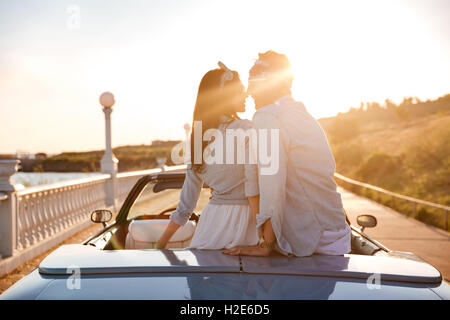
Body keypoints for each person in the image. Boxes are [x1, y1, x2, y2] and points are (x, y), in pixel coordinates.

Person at [223, 51, 351, 257]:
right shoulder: (300, 113)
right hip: (335, 230)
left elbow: (272, 184)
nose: (249, 92)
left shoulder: (267, 116)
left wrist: (266, 244)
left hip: (312, 237)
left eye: (255, 82)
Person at [156, 62, 261, 250]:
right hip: (247, 221)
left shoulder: (198, 138)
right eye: (239, 91)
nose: (245, 95)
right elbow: (257, 185)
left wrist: (161, 243)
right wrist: (265, 237)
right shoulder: (245, 129)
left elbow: (186, 204)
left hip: (211, 222)